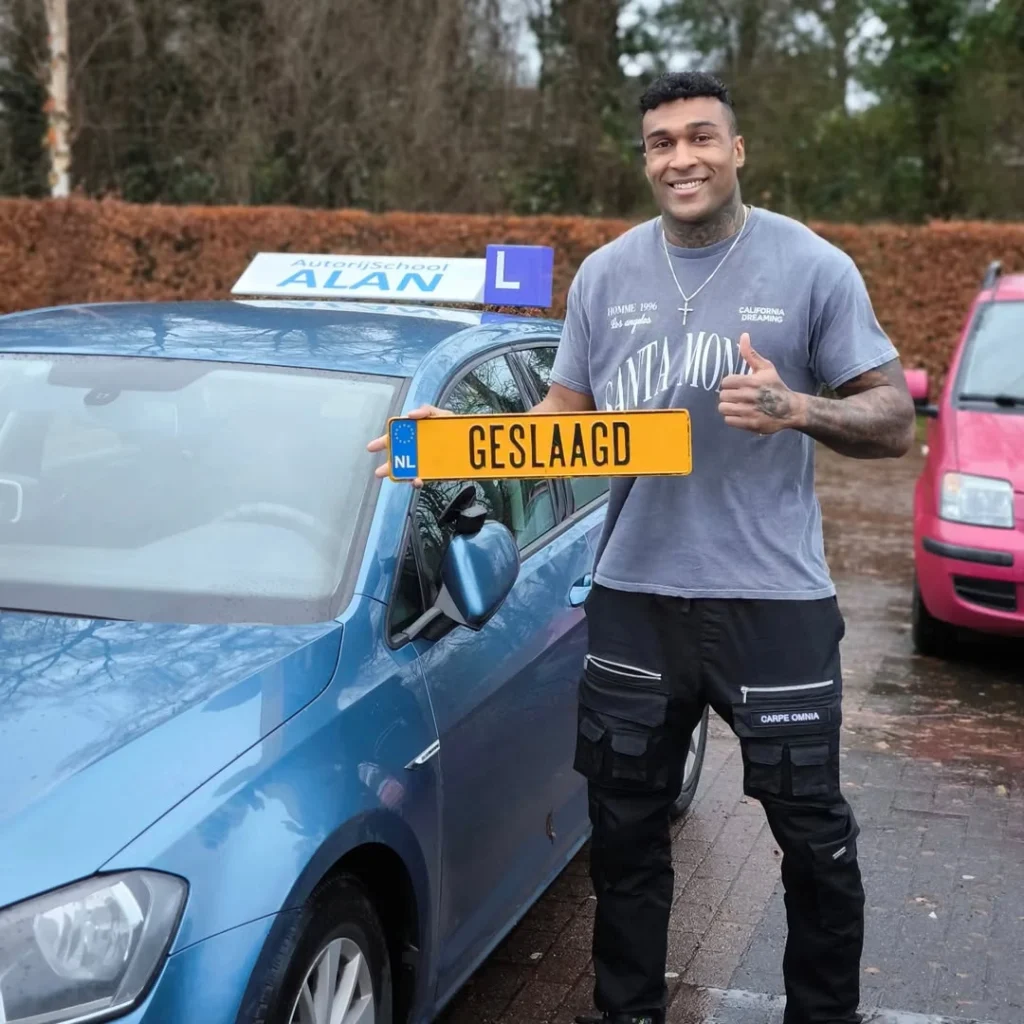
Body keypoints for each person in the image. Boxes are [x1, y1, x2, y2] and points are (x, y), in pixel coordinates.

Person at [368, 71, 915, 1024]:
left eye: (701, 138)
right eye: (662, 143)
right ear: (647, 159)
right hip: (633, 595)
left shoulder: (814, 267)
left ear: (737, 150)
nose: (682, 158)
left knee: (813, 836)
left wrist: (796, 408)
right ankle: (626, 1013)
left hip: (773, 602)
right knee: (624, 838)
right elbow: (558, 421)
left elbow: (893, 417)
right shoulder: (607, 275)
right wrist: (445, 444)